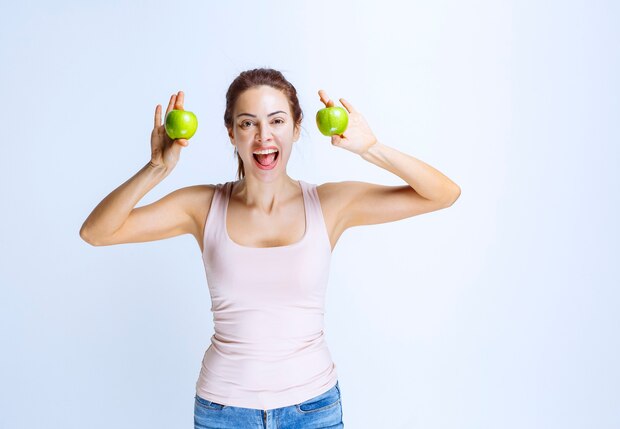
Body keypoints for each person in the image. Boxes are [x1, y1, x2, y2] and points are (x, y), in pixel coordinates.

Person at [79, 68, 461, 428]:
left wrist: (372, 149)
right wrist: (156, 168)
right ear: (231, 133)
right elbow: (97, 232)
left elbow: (443, 195)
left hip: (313, 408)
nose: (264, 136)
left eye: (277, 121)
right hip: (224, 410)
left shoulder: (329, 204)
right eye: (248, 123)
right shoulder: (201, 206)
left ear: (296, 129)